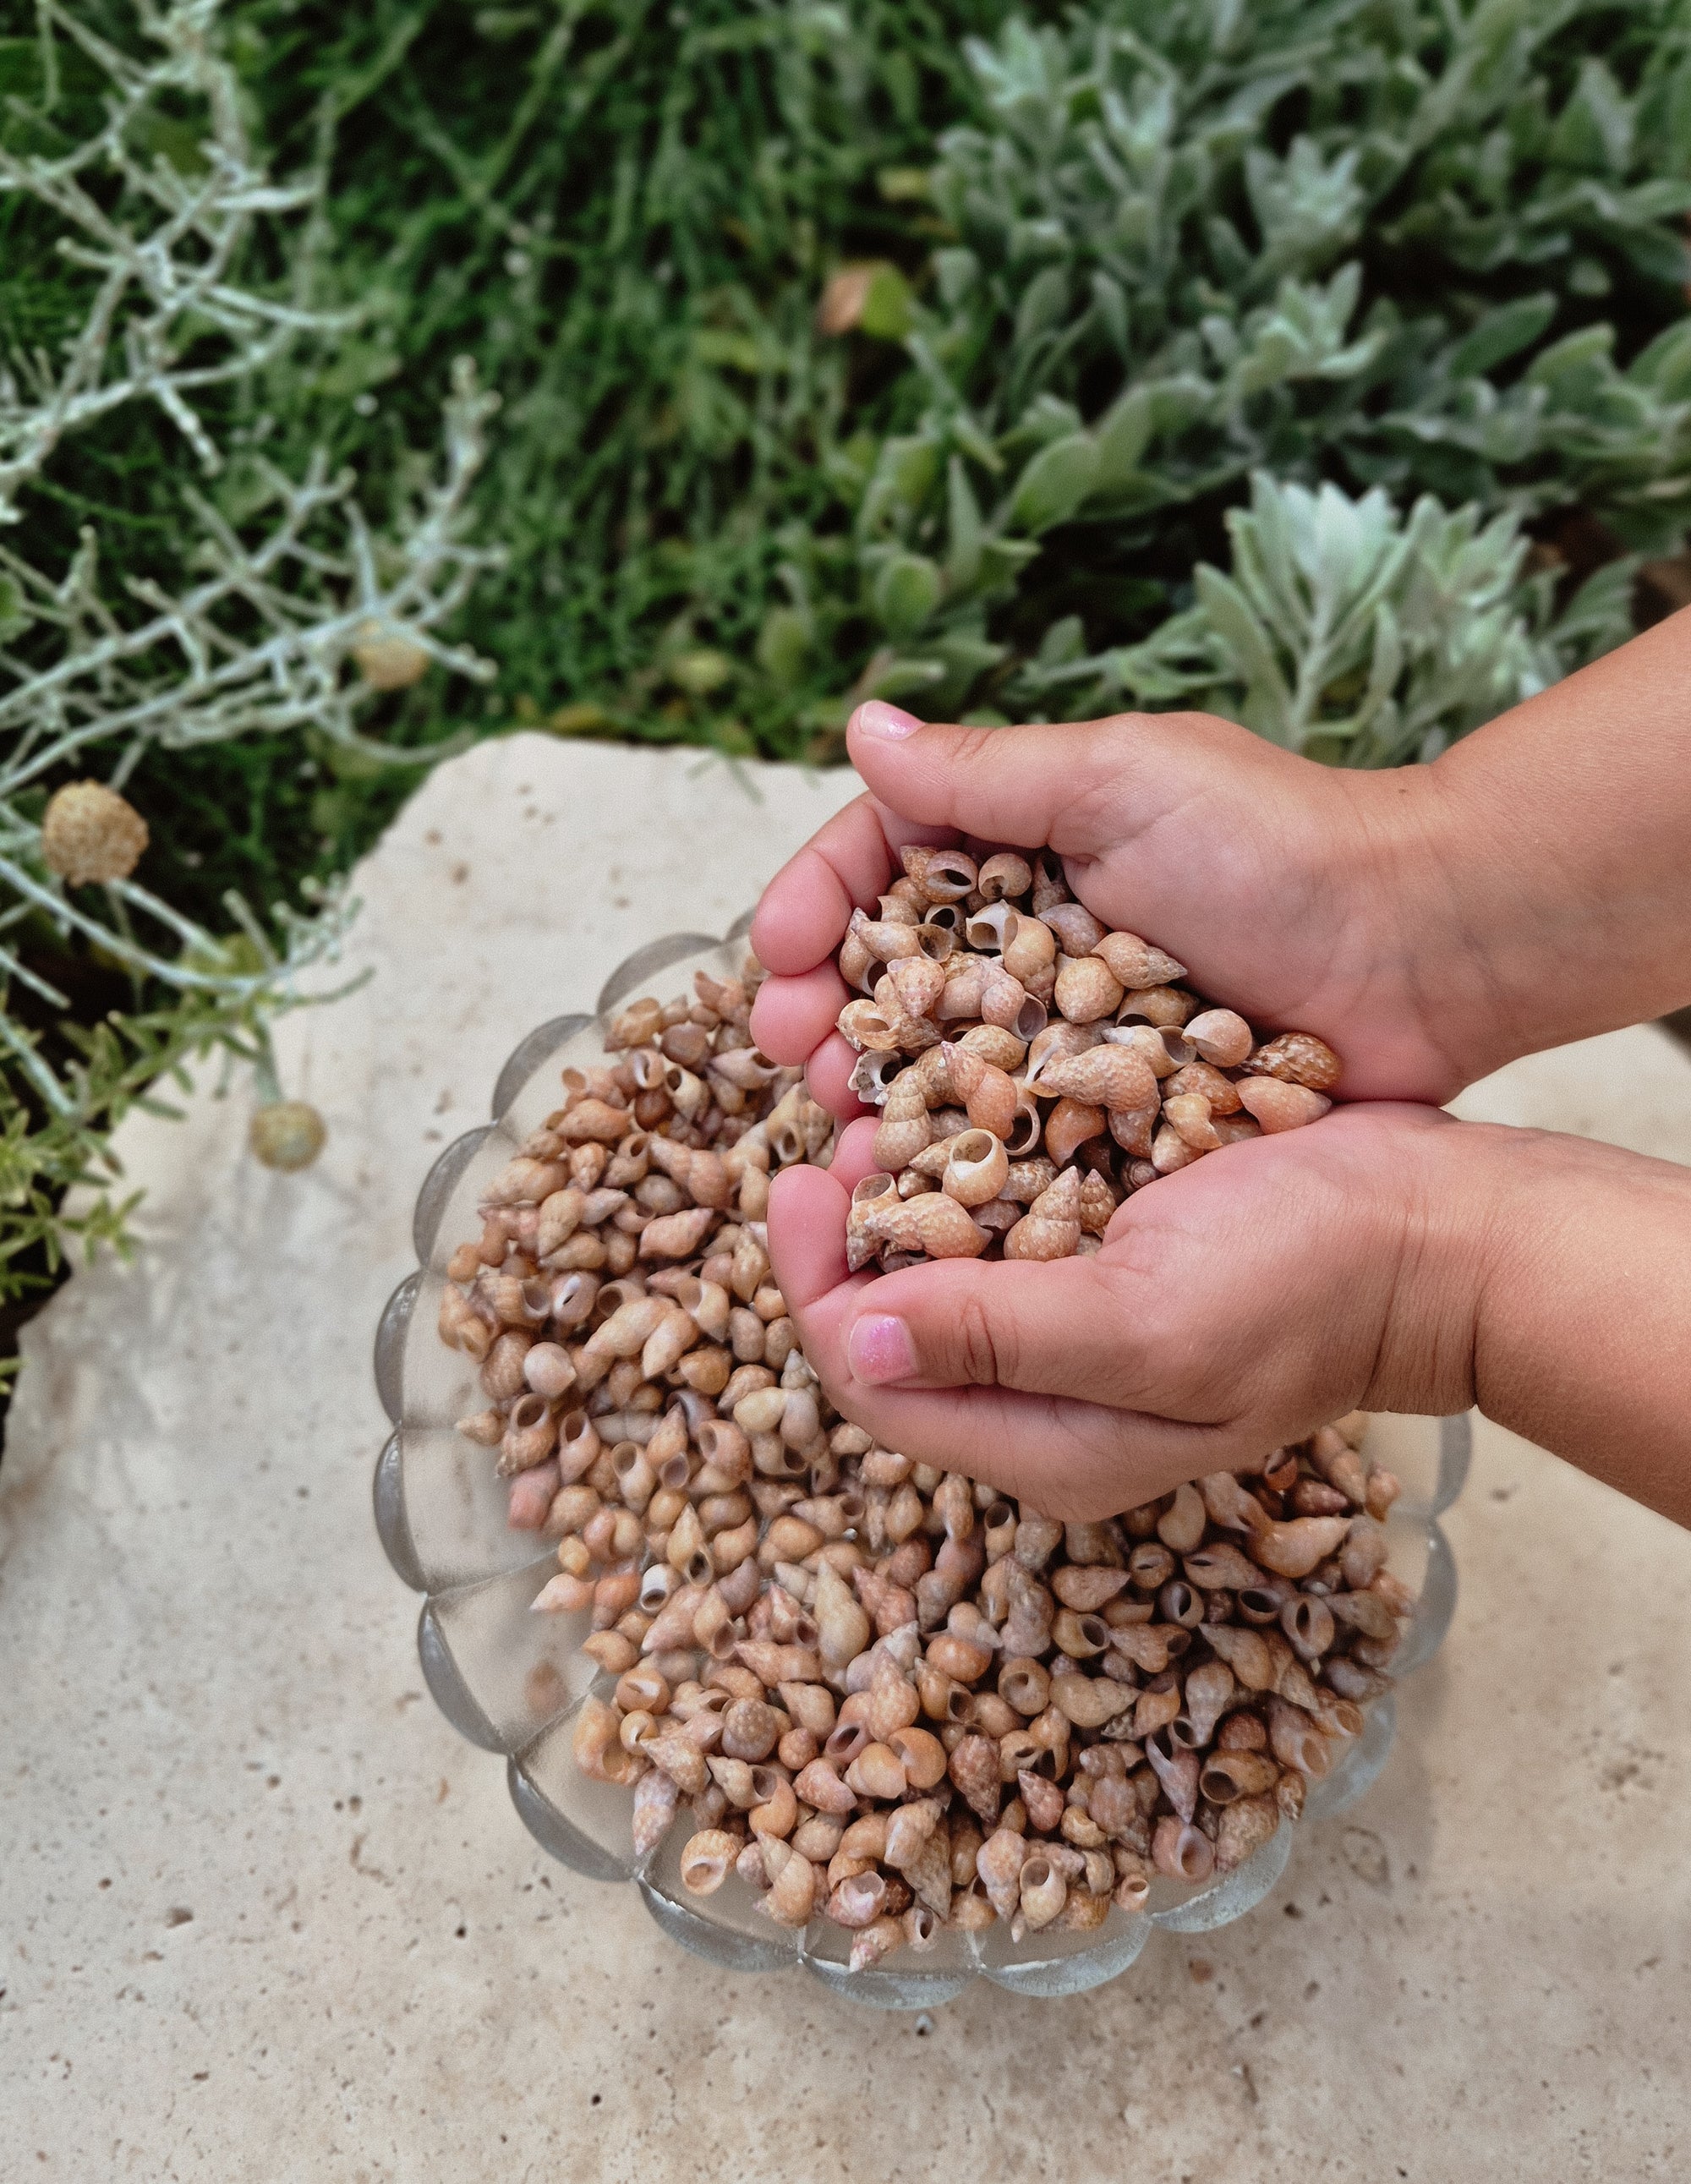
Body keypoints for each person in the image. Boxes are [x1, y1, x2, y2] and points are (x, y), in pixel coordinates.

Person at [747, 610, 1691, 1529]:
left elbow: (1080, 1035)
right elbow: (1066, 1033)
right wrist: (1409, 905)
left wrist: (1424, 1278)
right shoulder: (1025, 1033)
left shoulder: (1094, 1051)